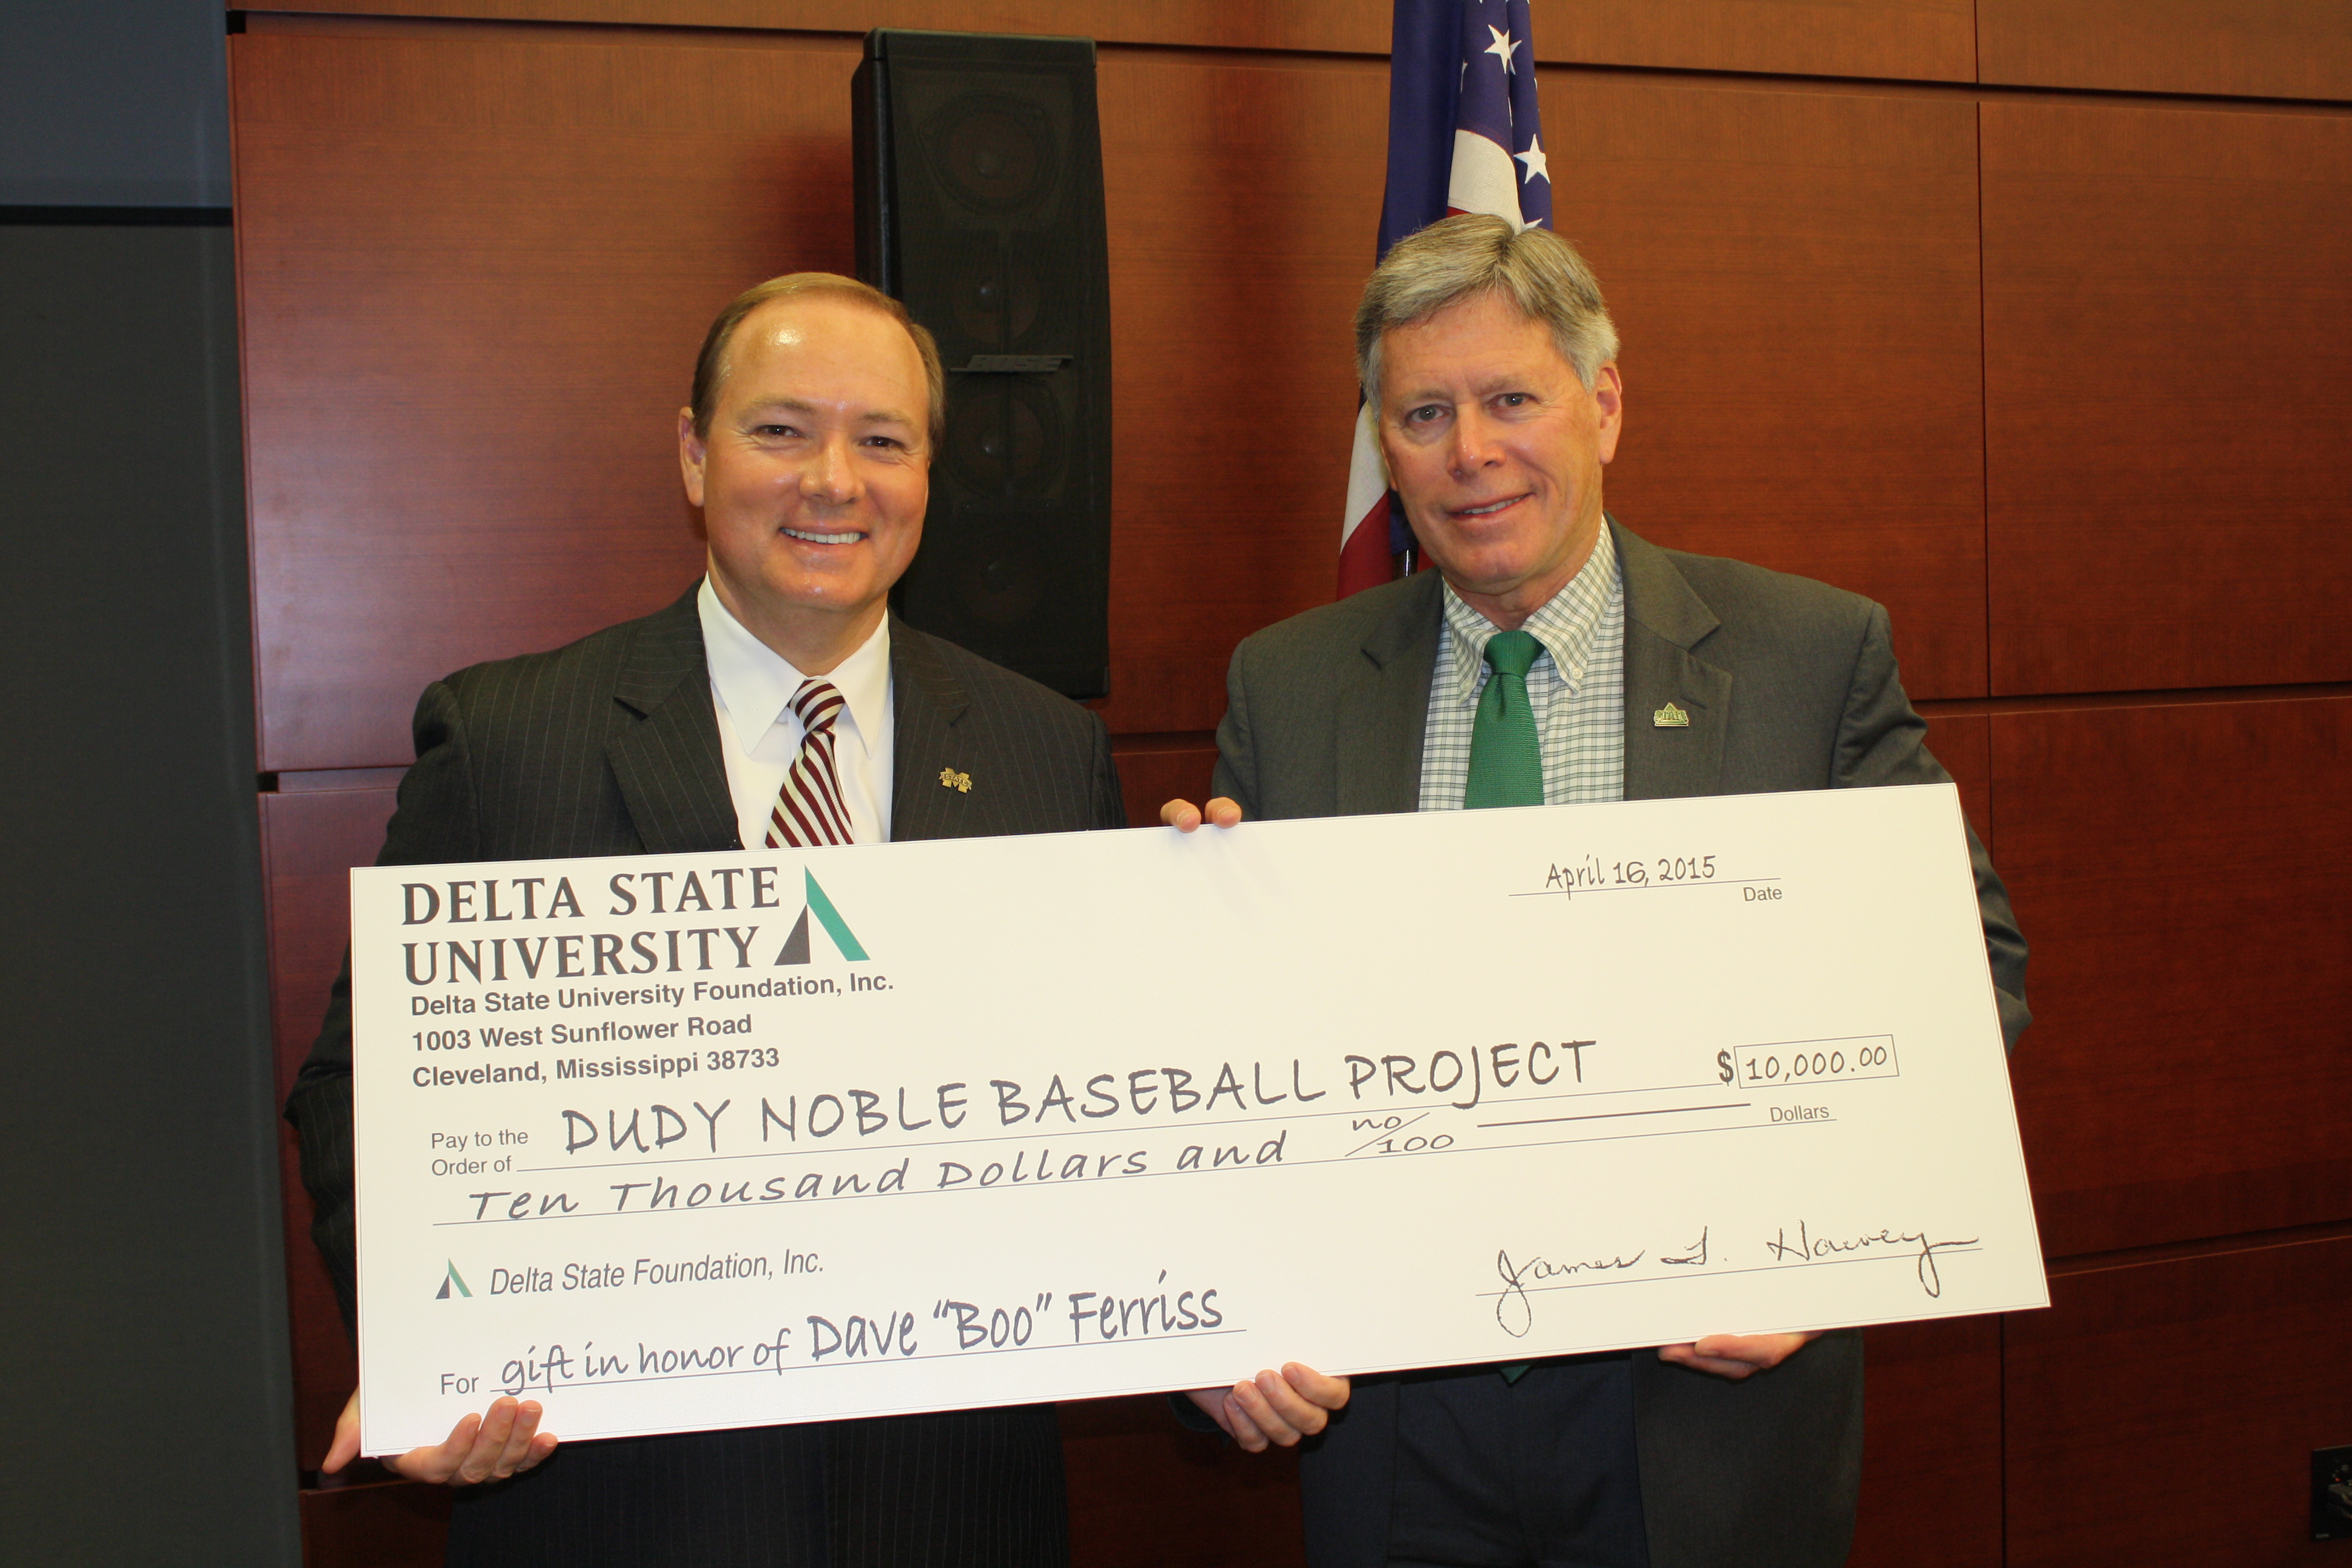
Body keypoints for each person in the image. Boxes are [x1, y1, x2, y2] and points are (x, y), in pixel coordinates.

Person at [1165, 214, 2030, 1568]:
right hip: (1394, 1427)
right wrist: (1184, 929)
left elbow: (1968, 970)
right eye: (1423, 413)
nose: (1471, 453)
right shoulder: (1289, 684)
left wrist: (1831, 1249)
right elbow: (1216, 1049)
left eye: (1513, 398)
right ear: (1380, 444)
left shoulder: (1806, 657)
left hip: (1694, 1414)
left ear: (1605, 403)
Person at [284, 272, 1125, 1566]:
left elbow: (1116, 1100)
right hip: (614, 1508)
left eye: (883, 440)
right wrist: (429, 1347)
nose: (833, 481)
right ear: (693, 453)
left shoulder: (1048, 754)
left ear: (928, 476)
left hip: (950, 1504)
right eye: (781, 430)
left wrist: (1205, 925)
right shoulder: (509, 738)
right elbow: (365, 1088)